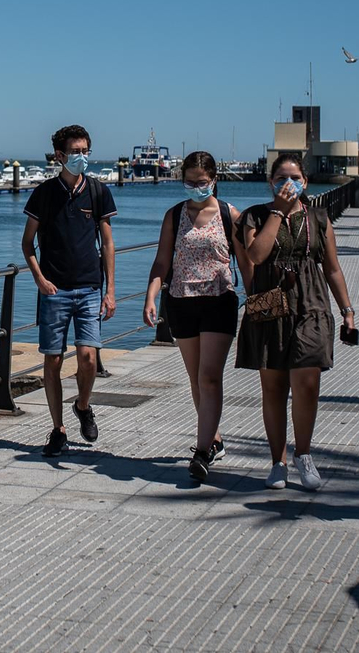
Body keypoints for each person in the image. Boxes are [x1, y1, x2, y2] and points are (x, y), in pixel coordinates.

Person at [234, 154, 355, 491]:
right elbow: (256, 256)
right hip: (270, 300)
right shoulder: (254, 216)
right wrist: (277, 212)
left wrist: (347, 309)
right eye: (281, 178)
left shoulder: (318, 218)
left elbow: (332, 267)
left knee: (307, 380)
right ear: (270, 182)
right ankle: (278, 461)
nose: (288, 184)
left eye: (295, 177)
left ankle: (304, 453)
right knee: (273, 387)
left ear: (306, 181)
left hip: (311, 301)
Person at [143, 151, 248, 481]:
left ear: (214, 180)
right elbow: (162, 261)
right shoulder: (174, 216)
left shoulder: (230, 214)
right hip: (181, 300)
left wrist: (257, 294)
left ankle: (201, 452)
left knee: (210, 376)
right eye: (189, 182)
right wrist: (150, 296)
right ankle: (213, 439)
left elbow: (246, 261)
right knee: (195, 378)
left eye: (201, 183)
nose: (196, 188)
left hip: (219, 300)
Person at [21, 124, 117, 457]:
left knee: (88, 358)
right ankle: (57, 429)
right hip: (54, 291)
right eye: (75, 152)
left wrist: (111, 290)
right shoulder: (43, 193)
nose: (81, 157)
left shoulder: (97, 191)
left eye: (85, 151)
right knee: (53, 360)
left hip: (90, 288)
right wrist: (39, 279)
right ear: (59, 156)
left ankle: (83, 404)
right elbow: (27, 243)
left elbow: (107, 243)